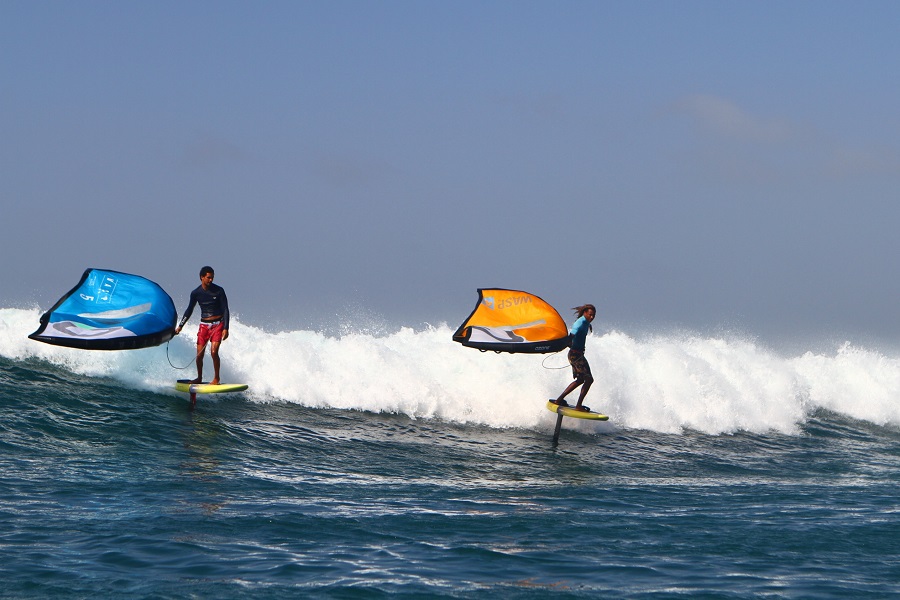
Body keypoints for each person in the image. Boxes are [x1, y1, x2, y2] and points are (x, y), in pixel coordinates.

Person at [174, 266, 230, 385]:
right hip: (204, 325)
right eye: (208, 277)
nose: (211, 280)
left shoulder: (219, 290)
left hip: (218, 325)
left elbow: (225, 309)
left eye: (212, 277)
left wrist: (226, 328)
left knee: (214, 352)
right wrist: (180, 326)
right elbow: (189, 310)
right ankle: (199, 378)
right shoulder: (196, 293)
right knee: (199, 355)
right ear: (202, 277)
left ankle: (216, 378)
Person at [551, 304, 596, 411]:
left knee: (581, 380)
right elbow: (571, 336)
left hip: (577, 354)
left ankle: (559, 400)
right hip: (576, 355)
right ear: (584, 313)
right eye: (590, 315)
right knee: (589, 379)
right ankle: (578, 405)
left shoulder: (585, 322)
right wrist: (567, 343)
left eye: (593, 315)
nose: (592, 317)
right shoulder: (580, 323)